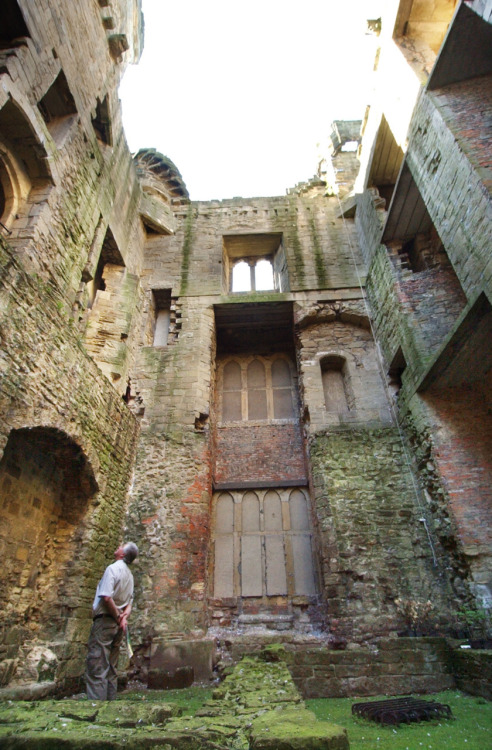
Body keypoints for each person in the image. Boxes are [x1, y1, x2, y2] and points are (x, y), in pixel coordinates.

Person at [85, 541, 138, 700]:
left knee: (97, 664)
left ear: (122, 554)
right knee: (112, 667)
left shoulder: (112, 569)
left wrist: (116, 616)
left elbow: (107, 597)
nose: (117, 546)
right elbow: (129, 602)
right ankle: (110, 703)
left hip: (106, 621)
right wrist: (124, 618)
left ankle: (96, 706)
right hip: (118, 626)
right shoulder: (129, 575)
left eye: (120, 546)